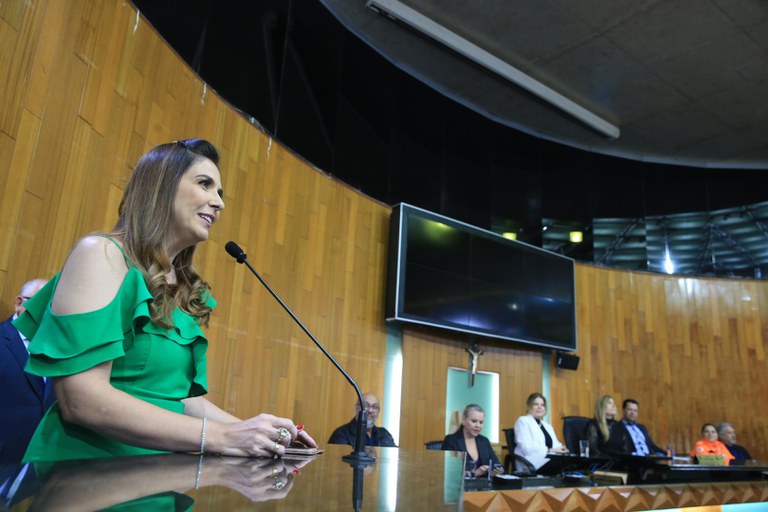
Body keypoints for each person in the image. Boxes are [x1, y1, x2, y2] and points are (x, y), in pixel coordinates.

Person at [14, 139, 317, 462]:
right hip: (86, 471)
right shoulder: (100, 254)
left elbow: (177, 400)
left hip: (155, 472)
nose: (219, 203)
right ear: (162, 185)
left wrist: (261, 435)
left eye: (220, 193)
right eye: (205, 184)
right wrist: (224, 436)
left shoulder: (179, 285)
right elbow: (81, 400)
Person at [1, 278, 53, 463]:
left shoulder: (58, 349)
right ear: (19, 303)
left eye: (53, 306)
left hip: (41, 458)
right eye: (41, 303)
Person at [441, 404, 503, 478]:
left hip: (484, 484)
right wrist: (475, 473)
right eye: (474, 421)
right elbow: (449, 473)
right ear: (463, 420)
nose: (478, 426)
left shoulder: (484, 441)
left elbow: (496, 464)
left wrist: (498, 470)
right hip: (460, 485)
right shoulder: (451, 440)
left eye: (481, 422)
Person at [513, 392, 568, 471]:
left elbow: (556, 445)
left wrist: (562, 449)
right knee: (561, 464)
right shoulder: (523, 421)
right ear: (529, 406)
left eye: (542, 405)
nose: (540, 407)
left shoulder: (547, 426)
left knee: (571, 461)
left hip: (549, 460)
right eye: (536, 404)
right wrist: (549, 450)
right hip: (532, 462)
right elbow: (526, 448)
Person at [327, 392, 396, 447]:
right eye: (365, 405)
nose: (370, 410)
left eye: (375, 407)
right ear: (356, 408)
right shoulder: (341, 434)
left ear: (379, 411)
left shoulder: (385, 434)